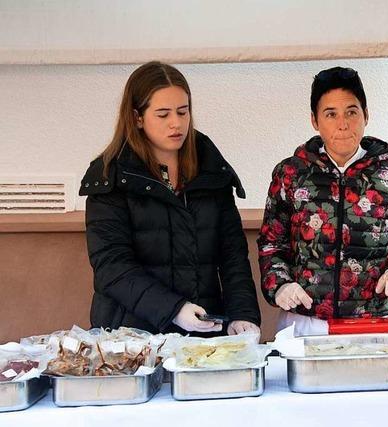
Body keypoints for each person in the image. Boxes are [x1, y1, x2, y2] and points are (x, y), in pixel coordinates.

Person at [80, 61, 261, 337]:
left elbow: (232, 254)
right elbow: (112, 266)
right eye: (163, 114)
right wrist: (174, 309)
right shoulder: (111, 177)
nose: (176, 123)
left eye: (183, 112)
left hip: (204, 333)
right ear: (137, 117)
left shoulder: (211, 168)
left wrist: (242, 314)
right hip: (131, 337)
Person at [258, 66, 388, 336]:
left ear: (366, 115)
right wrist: (280, 284)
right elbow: (272, 243)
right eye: (331, 114)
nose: (343, 124)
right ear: (315, 120)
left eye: (352, 112)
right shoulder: (290, 174)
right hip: (304, 321)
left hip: (371, 322)